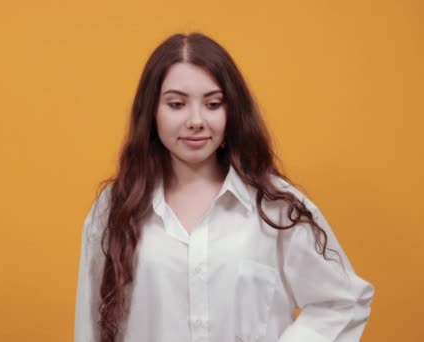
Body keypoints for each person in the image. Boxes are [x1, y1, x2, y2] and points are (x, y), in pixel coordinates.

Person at [74, 32, 374, 342]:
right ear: (151, 112)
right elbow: (89, 324)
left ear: (231, 111)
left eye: (213, 104)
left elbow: (342, 302)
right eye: (176, 104)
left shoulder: (275, 206)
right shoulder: (116, 208)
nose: (195, 120)